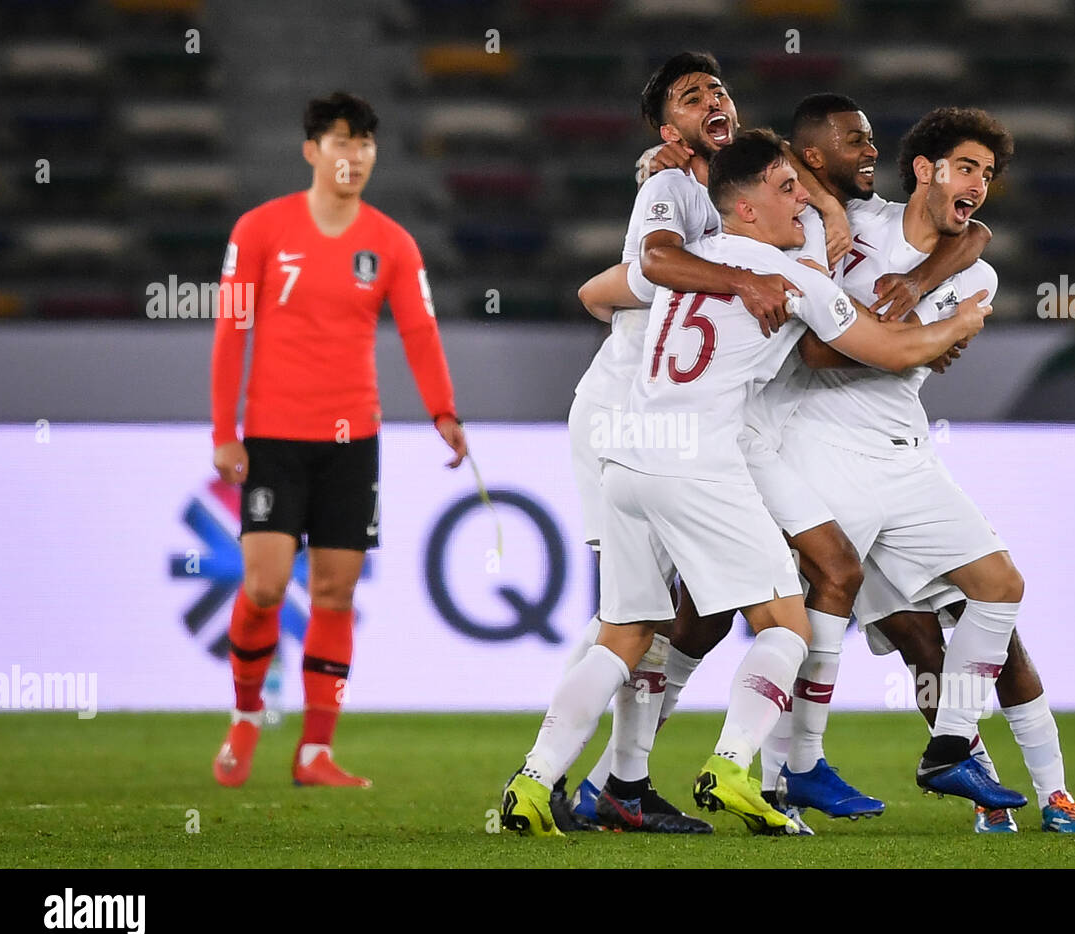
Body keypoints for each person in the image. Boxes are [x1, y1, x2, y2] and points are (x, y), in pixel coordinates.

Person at [501, 129, 988, 837]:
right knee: (787, 624)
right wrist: (960, 323)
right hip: (700, 460)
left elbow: (599, 293)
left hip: (631, 455)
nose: (803, 202)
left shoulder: (680, 262)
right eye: (787, 189)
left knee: (625, 634)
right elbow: (893, 348)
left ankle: (533, 781)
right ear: (747, 207)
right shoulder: (793, 281)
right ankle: (731, 766)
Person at [787, 96, 1075, 833]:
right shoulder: (853, 223)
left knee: (998, 594)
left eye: (987, 173)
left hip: (906, 457)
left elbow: (877, 348)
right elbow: (821, 351)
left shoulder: (977, 278)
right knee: (897, 636)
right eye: (965, 167)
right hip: (821, 452)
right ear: (924, 170)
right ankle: (766, 781)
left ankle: (972, 758)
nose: (978, 183)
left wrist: (921, 297)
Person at [209, 91, 467, 788]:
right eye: (341, 142)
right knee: (263, 586)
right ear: (311, 150)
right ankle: (245, 715)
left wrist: (443, 411)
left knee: (335, 592)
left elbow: (418, 330)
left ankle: (315, 751)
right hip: (273, 435)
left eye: (365, 145)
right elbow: (231, 328)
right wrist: (223, 430)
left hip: (353, 439)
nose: (354, 156)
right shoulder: (259, 231)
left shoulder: (391, 242)